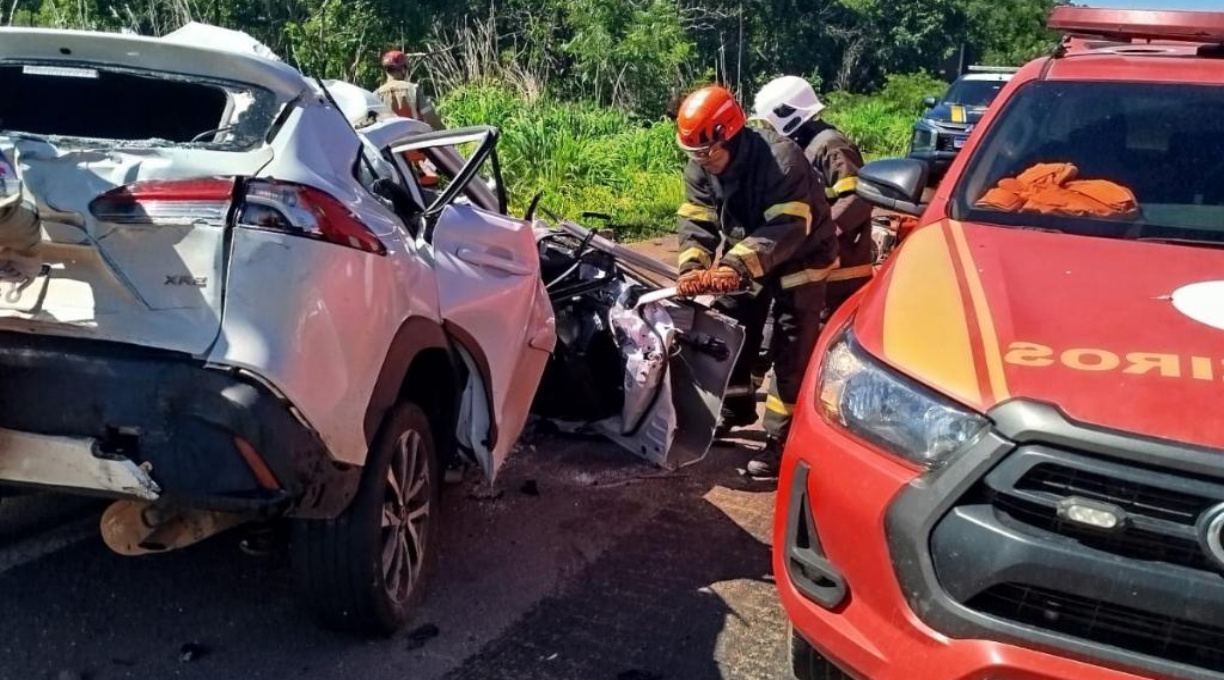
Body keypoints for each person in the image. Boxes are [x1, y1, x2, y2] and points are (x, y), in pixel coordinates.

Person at [673, 85, 838, 480]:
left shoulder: (782, 159)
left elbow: (787, 226)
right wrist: (693, 269)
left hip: (801, 258)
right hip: (747, 255)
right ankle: (734, 409)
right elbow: (697, 218)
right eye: (693, 153)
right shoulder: (702, 163)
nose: (702, 161)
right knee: (731, 335)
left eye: (708, 152)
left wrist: (734, 267)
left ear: (730, 134)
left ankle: (782, 441)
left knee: (790, 348)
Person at [753, 76, 875, 318]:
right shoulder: (798, 147)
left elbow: (859, 198)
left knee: (825, 333)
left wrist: (820, 233)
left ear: (786, 114)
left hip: (840, 267)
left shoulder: (830, 146)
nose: (767, 129)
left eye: (769, 123)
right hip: (811, 265)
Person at [375, 50, 445, 131]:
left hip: (391, 142)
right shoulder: (413, 89)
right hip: (414, 140)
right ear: (403, 69)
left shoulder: (377, 94)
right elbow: (431, 118)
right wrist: (446, 135)